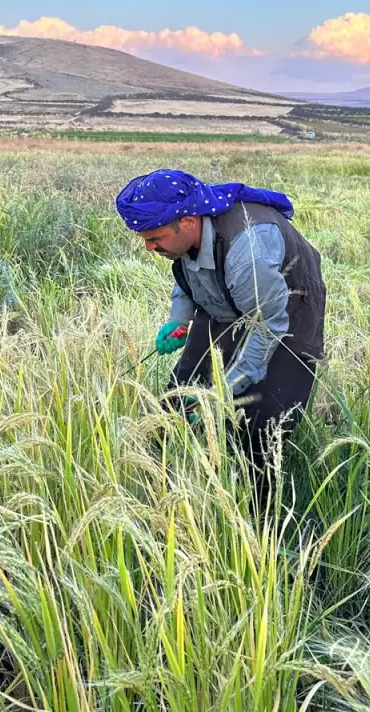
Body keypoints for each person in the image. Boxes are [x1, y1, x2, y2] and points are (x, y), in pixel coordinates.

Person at [115, 169, 326, 509]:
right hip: (229, 303)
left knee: (262, 424)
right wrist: (179, 319)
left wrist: (222, 394)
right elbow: (189, 266)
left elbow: (267, 325)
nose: (148, 248)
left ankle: (259, 519)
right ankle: (166, 498)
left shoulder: (249, 251)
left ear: (186, 222)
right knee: (177, 404)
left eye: (154, 239)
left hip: (286, 313)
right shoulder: (186, 233)